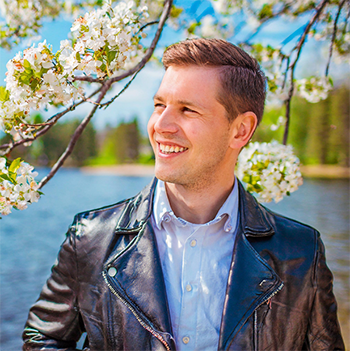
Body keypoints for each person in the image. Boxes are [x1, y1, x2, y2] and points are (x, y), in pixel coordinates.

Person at [23, 38, 344, 351]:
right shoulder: (91, 238)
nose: (161, 125)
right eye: (159, 105)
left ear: (241, 130)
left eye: (187, 110)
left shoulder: (301, 253)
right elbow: (42, 338)